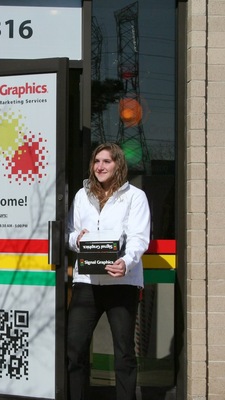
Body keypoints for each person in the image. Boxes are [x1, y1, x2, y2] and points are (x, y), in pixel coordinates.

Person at [66, 142, 151, 400]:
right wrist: (76, 239)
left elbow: (139, 237)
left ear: (118, 165)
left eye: (107, 161)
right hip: (87, 282)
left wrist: (126, 261)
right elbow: (70, 233)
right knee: (75, 349)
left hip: (122, 283)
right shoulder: (82, 196)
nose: (100, 166)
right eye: (97, 161)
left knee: (124, 353)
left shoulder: (135, 197)